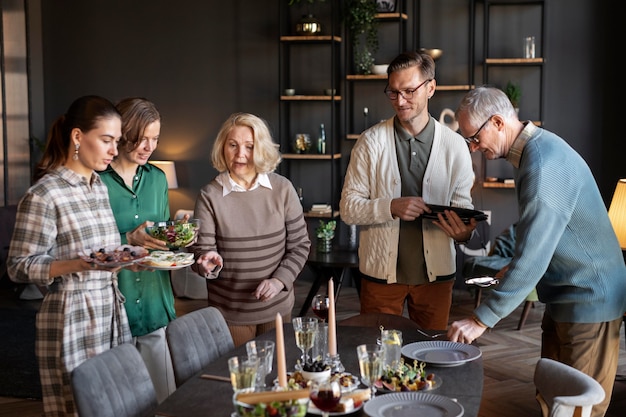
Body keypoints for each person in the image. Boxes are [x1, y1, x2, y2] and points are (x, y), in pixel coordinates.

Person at [446, 85, 626, 417]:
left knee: (578, 408)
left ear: (498, 122)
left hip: (591, 296)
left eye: (474, 138)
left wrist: (479, 319)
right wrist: (510, 269)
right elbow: (538, 236)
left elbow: (534, 256)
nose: (473, 148)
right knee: (552, 397)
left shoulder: (541, 164)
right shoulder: (534, 154)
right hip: (566, 292)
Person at [7, 95, 132, 417]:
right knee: (78, 408)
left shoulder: (99, 186)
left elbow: (103, 248)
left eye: (116, 141)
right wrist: (78, 265)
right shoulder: (44, 195)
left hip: (110, 309)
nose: (114, 150)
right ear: (78, 137)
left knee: (117, 404)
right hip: (71, 317)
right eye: (106, 140)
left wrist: (129, 256)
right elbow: (19, 267)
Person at [339, 51, 477, 331]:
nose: (400, 101)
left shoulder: (455, 146)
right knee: (378, 358)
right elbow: (348, 208)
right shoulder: (370, 142)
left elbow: (463, 210)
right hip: (380, 278)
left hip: (436, 280)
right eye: (393, 92)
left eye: (409, 91)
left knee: (430, 357)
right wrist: (390, 207)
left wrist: (464, 234)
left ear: (430, 88)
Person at [190, 112, 310, 347]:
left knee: (278, 376)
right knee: (239, 380)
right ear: (222, 147)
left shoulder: (283, 189)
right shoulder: (209, 196)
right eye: (232, 145)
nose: (240, 154)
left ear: (261, 148)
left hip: (278, 306)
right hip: (230, 312)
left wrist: (278, 281)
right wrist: (205, 264)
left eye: (249, 146)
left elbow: (300, 246)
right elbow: (202, 254)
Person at [99, 97, 176, 402]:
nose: (149, 146)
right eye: (141, 138)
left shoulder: (157, 179)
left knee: (166, 398)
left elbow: (164, 239)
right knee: (119, 400)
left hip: (157, 304)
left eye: (154, 139)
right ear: (123, 133)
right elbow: (85, 245)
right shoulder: (95, 182)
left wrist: (177, 235)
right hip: (113, 306)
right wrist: (128, 236)